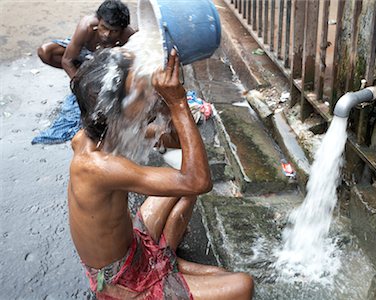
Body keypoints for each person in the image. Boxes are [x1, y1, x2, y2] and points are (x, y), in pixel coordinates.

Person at [68, 47, 254, 299]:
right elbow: (198, 180)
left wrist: (168, 107)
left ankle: (166, 262)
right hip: (124, 281)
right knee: (242, 285)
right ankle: (158, 274)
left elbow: (179, 147)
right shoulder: (98, 166)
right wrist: (177, 102)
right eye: (142, 89)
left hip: (133, 248)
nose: (150, 90)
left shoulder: (99, 134)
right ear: (116, 110)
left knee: (182, 191)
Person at [37, 0, 135, 79]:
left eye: (114, 31)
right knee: (45, 52)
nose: (107, 34)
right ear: (98, 20)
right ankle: (82, 74)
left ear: (122, 30)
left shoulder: (128, 35)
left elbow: (134, 65)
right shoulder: (86, 27)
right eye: (104, 27)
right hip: (85, 55)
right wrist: (78, 87)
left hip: (108, 63)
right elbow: (67, 61)